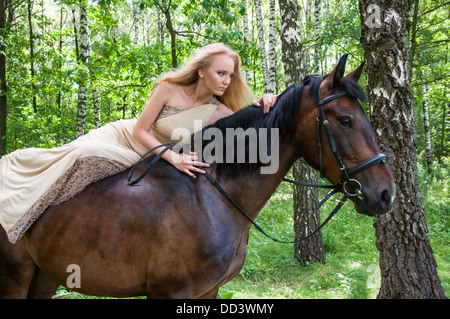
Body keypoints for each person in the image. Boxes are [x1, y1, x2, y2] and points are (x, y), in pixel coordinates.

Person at [0, 43, 278, 243]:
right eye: (221, 73)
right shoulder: (169, 87)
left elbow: (251, 126)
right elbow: (140, 131)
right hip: (126, 137)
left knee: (85, 156)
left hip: (147, 158)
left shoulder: (220, 112)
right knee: (77, 152)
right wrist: (174, 158)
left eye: (231, 75)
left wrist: (267, 101)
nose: (227, 81)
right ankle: (19, 200)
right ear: (202, 71)